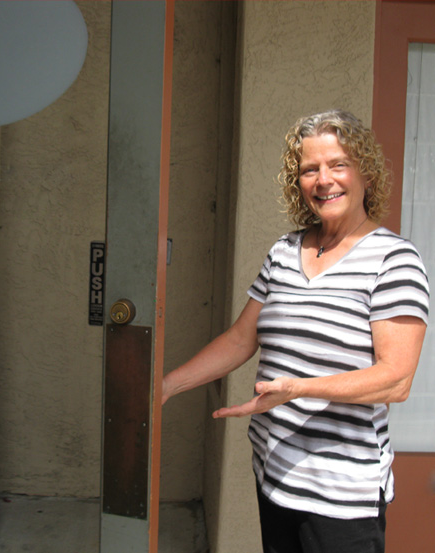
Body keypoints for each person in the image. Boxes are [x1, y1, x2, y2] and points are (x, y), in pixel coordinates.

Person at [162, 110, 429, 553]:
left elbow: (396, 380)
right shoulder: (285, 251)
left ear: (366, 172)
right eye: (310, 169)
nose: (324, 180)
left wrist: (298, 389)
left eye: (338, 164)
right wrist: (167, 386)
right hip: (275, 473)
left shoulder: (394, 261)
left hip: (341, 495)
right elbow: (240, 339)